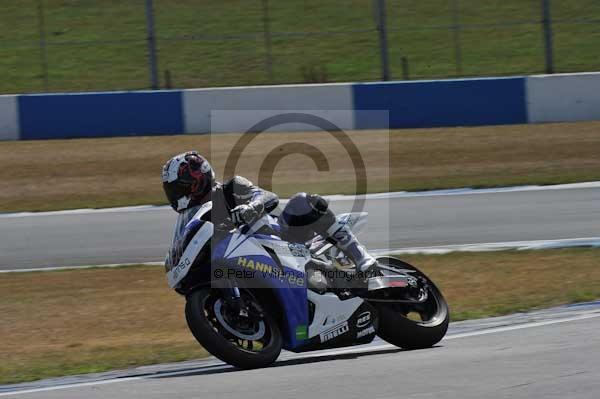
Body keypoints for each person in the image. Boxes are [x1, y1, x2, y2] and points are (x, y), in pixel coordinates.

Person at [161, 151, 376, 272]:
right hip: (251, 262)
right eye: (172, 191)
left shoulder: (230, 188)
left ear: (198, 181)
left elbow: (267, 196)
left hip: (284, 240)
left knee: (301, 201)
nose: (176, 195)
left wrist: (251, 207)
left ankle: (363, 259)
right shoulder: (190, 219)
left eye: (180, 188)